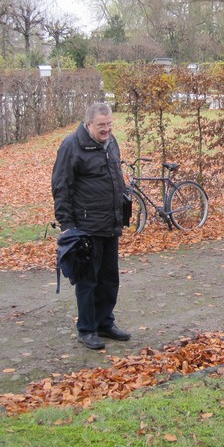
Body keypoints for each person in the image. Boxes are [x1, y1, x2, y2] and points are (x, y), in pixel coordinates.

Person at [52, 102, 131, 350]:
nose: (106, 129)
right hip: (86, 227)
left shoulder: (112, 143)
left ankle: (105, 323)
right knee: (88, 281)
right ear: (88, 124)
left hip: (110, 224)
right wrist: (67, 225)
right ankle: (87, 329)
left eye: (109, 124)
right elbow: (61, 187)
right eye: (101, 125)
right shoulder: (71, 146)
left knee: (110, 279)